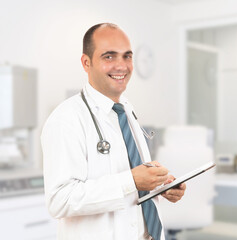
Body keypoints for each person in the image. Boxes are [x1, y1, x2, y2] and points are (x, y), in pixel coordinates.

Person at [41, 23, 186, 240]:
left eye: (127, 56)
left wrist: (160, 186)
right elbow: (59, 200)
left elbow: (132, 184)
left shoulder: (126, 109)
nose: (122, 66)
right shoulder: (66, 119)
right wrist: (131, 181)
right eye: (109, 57)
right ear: (86, 62)